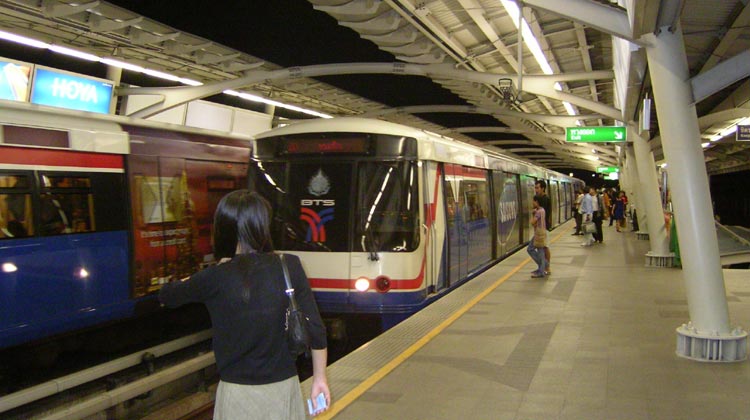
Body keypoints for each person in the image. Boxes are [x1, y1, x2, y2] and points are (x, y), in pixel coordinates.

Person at [159, 190, 330, 419]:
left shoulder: (215, 276)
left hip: (237, 395)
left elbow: (167, 296)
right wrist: (319, 379)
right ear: (262, 225)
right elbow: (316, 329)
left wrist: (202, 274)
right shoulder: (289, 265)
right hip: (282, 389)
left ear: (224, 227)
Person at [534, 180, 551, 274]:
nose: (536, 190)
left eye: (537, 188)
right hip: (540, 229)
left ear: (543, 188)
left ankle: (547, 267)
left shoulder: (545, 199)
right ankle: (543, 266)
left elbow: (543, 213)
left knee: (545, 247)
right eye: (535, 187)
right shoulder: (538, 198)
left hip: (544, 228)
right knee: (541, 248)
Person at [528, 195, 547, 278]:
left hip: (538, 233)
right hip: (542, 232)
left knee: (533, 249)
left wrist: (532, 215)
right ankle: (541, 267)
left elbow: (533, 222)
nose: (532, 203)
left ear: (537, 202)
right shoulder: (542, 210)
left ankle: (542, 268)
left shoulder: (538, 212)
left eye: (533, 201)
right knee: (540, 251)